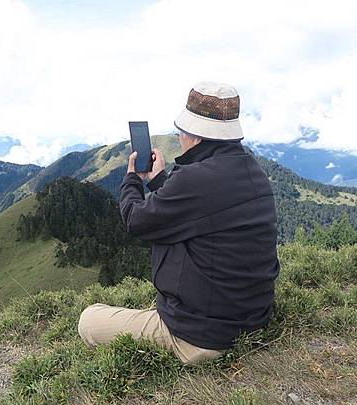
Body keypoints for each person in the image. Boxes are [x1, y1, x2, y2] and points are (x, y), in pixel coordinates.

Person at [77, 81, 281, 365]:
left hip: (203, 337)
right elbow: (198, 213)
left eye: (183, 130)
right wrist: (160, 181)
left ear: (196, 135)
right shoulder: (251, 170)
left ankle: (172, 337)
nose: (179, 136)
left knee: (89, 319)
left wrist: (132, 179)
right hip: (251, 318)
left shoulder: (195, 179)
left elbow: (137, 221)